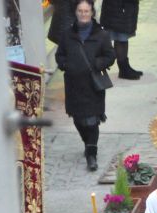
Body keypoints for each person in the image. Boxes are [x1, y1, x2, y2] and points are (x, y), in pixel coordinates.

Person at [55, 0, 115, 171]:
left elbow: (110, 56)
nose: (83, 14)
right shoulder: (67, 34)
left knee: (92, 121)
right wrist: (66, 65)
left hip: (92, 86)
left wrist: (97, 63)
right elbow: (60, 56)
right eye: (80, 11)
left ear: (92, 12)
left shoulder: (101, 35)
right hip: (74, 85)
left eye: (86, 11)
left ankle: (91, 154)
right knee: (79, 120)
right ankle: (87, 143)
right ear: (76, 12)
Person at [100, 0, 142, 79]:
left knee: (122, 38)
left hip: (124, 8)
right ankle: (123, 69)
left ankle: (125, 66)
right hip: (118, 8)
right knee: (121, 37)